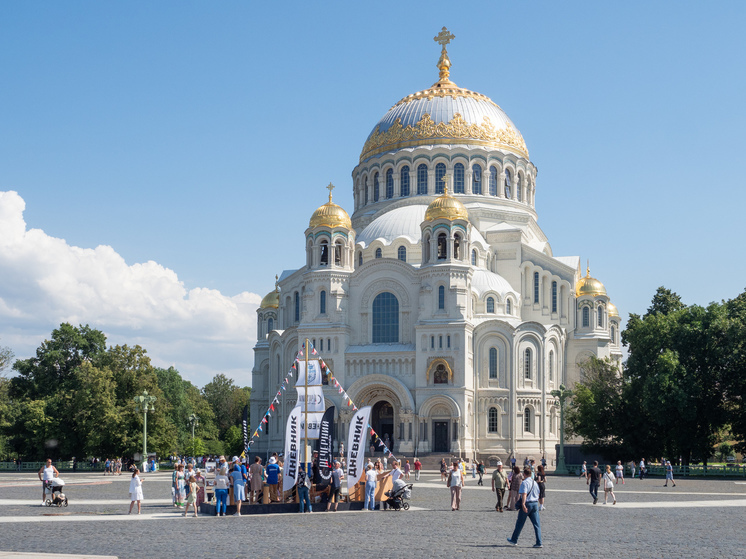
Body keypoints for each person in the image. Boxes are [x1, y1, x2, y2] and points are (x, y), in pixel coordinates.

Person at [506, 467, 542, 548]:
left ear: (524, 474)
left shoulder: (524, 483)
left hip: (527, 504)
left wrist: (523, 504)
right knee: (537, 524)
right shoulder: (535, 483)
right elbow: (539, 494)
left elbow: (524, 494)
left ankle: (514, 540)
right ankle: (539, 542)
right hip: (535, 504)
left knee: (520, 523)